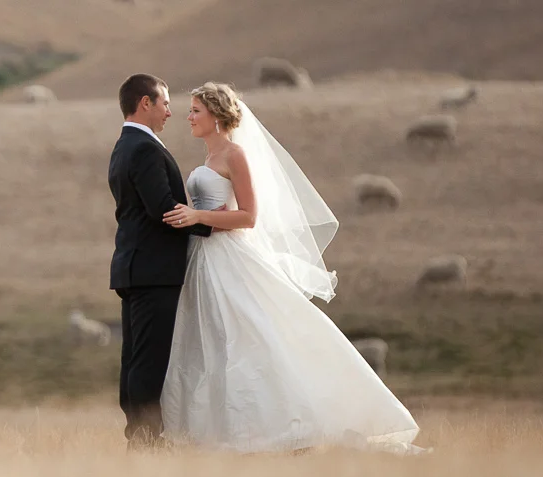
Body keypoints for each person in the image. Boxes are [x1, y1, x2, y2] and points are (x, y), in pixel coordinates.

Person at [155, 81, 429, 455]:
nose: (188, 117)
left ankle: (284, 427)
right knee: (213, 342)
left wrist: (197, 216)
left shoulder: (235, 155)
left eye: (195, 111)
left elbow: (249, 216)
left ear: (216, 116)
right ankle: (217, 432)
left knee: (250, 338)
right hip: (203, 258)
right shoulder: (208, 159)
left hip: (228, 257)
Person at [105, 73, 211, 450]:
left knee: (135, 358)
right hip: (153, 270)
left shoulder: (124, 145)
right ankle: (147, 439)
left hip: (135, 267)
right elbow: (162, 209)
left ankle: (139, 437)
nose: (169, 111)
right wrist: (212, 224)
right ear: (145, 103)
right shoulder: (145, 148)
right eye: (165, 103)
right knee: (148, 361)